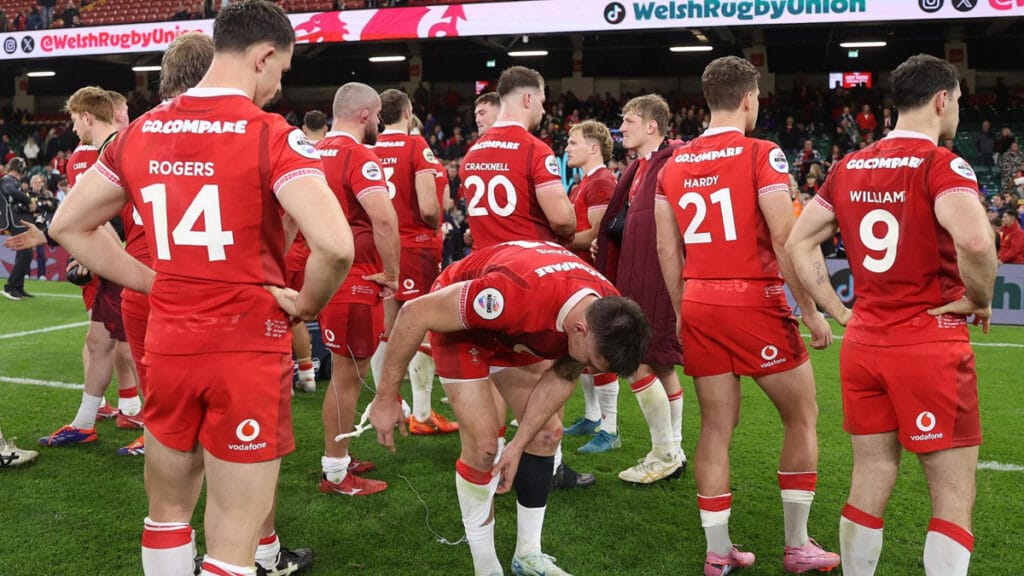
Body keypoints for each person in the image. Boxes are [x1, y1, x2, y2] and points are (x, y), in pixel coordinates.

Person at [48, 3, 353, 575]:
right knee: (234, 537)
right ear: (263, 56)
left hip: (168, 341)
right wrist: (306, 306)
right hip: (244, 344)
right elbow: (336, 247)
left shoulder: (137, 132)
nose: (278, 86)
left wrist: (153, 280)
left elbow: (67, 225)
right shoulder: (272, 135)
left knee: (166, 514)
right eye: (281, 70)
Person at [788, 54, 998, 576]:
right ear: (942, 99)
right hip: (928, 344)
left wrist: (838, 309)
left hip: (864, 344)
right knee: (951, 494)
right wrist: (980, 297)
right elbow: (976, 242)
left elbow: (798, 242)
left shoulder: (848, 166)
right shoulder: (942, 163)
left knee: (870, 475)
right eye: (958, 101)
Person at [654, 56, 840, 575]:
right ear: (747, 99)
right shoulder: (763, 153)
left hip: (699, 302)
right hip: (753, 303)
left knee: (715, 428)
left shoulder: (673, 164)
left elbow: (667, 249)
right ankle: (797, 546)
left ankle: (718, 553)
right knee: (801, 417)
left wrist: (680, 311)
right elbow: (785, 237)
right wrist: (810, 311)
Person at [368, 241, 649, 576]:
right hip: (463, 325)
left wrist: (518, 445)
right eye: (590, 362)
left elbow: (563, 373)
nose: (587, 370)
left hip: (512, 325)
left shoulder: (605, 310)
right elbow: (414, 312)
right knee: (484, 447)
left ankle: (527, 555)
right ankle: (486, 569)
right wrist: (386, 397)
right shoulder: (514, 294)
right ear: (580, 329)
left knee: (546, 435)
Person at [459, 66, 592, 489]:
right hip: (529, 279)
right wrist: (565, 231)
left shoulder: (472, 153)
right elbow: (562, 218)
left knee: (499, 372)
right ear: (529, 98)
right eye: (544, 100)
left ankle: (501, 457)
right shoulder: (534, 149)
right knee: (545, 377)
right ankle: (548, 466)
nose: (545, 110)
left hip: (484, 279)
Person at [37, 87, 144, 448]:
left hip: (134, 261)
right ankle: (86, 422)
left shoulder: (117, 151)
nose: (73, 127)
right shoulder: (116, 149)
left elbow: (96, 220)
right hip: (122, 259)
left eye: (73, 119)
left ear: (86, 117)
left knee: (137, 348)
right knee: (99, 341)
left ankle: (156, 428)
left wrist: (96, 255)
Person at [594, 94, 687, 484]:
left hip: (657, 278)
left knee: (637, 362)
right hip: (640, 275)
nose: (622, 128)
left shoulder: (673, 162)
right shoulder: (639, 167)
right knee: (661, 363)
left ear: (652, 126)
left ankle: (665, 452)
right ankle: (674, 448)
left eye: (629, 121)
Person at [316, 82, 398, 497]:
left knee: (344, 374)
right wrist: (393, 273)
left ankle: (340, 457)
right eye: (378, 115)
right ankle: (335, 472)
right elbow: (382, 219)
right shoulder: (358, 155)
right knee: (347, 379)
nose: (379, 122)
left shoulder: (313, 151)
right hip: (355, 278)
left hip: (327, 274)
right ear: (365, 114)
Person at [369, 88, 455, 435]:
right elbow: (431, 207)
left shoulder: (369, 149)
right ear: (407, 113)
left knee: (385, 328)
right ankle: (420, 412)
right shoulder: (416, 146)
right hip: (413, 246)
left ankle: (387, 401)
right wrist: (433, 225)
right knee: (420, 323)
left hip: (378, 246)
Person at [560, 119, 620, 454]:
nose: (567, 148)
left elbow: (598, 233)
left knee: (599, 350)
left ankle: (610, 429)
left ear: (594, 147)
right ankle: (592, 416)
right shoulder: (583, 183)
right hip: (581, 273)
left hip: (595, 276)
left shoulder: (601, 181)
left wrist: (560, 243)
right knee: (582, 346)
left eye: (574, 142)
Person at [287, 108, 328, 393]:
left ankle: (287, 378)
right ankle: (308, 373)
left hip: (287, 248)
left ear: (303, 128)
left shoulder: (290, 159)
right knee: (299, 314)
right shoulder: (323, 158)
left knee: (280, 314)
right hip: (310, 249)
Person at [1, 157, 34, 300]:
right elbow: (9, 190)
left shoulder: (12, 181)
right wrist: (29, 201)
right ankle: (10, 287)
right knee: (26, 253)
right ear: (20, 167)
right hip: (14, 222)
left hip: (16, 221)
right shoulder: (9, 180)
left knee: (23, 253)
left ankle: (18, 287)